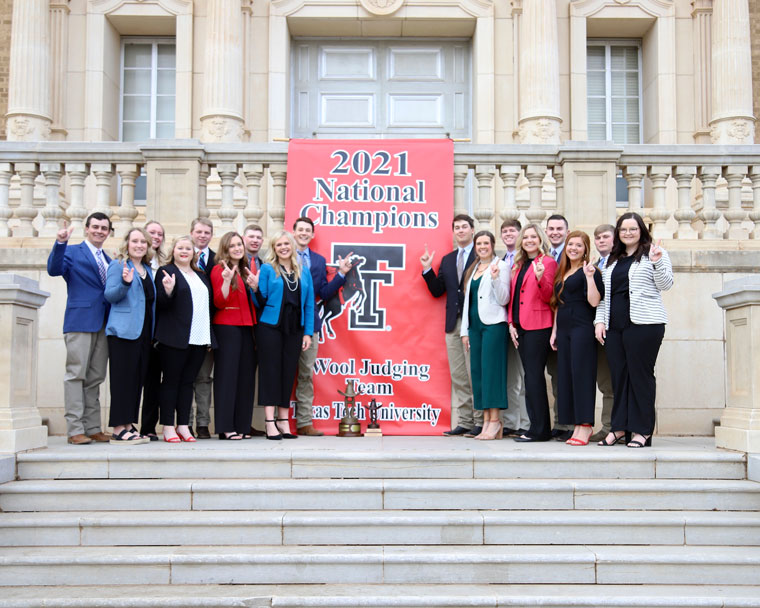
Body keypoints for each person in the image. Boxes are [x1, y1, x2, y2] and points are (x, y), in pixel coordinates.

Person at [595, 213, 673, 448]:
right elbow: (603, 296)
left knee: (640, 378)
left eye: (633, 229)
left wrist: (657, 262)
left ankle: (642, 431)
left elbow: (666, 284)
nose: (628, 233)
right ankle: (619, 428)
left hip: (645, 325)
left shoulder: (654, 254)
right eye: (623, 230)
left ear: (641, 230)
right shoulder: (612, 259)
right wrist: (599, 321)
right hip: (615, 327)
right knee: (619, 378)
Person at [47, 213, 113, 445]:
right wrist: (61, 242)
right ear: (86, 229)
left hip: (103, 323)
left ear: (108, 232)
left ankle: (93, 427)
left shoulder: (108, 258)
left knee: (95, 377)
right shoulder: (73, 252)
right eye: (95, 227)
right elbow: (54, 270)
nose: (99, 231)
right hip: (80, 321)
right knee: (76, 374)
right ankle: (75, 429)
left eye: (104, 228)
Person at [420, 214, 480, 437]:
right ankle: (465, 420)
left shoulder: (481, 252)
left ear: (472, 230)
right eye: (457, 227)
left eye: (465, 227)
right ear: (453, 232)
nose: (461, 231)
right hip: (453, 323)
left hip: (474, 321)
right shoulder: (447, 259)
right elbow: (438, 291)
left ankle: (480, 421)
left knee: (475, 372)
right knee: (459, 375)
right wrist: (427, 270)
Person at [292, 216, 352, 436]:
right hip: (284, 324)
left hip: (310, 323)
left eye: (308, 230)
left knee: (306, 372)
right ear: (293, 231)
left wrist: (341, 273)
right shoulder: (283, 255)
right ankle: (278, 422)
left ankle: (304, 422)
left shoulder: (318, 261)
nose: (304, 233)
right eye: (300, 230)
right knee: (283, 372)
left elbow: (325, 293)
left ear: (312, 235)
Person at [254, 231, 314, 440]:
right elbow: (260, 301)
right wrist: (254, 289)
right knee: (270, 373)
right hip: (270, 327)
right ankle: (270, 422)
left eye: (286, 244)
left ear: (292, 246)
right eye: (279, 245)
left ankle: (283, 420)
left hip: (294, 329)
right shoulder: (268, 269)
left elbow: (308, 304)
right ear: (274, 248)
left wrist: (307, 333)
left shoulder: (304, 272)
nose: (283, 247)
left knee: (288, 374)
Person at [155, 236, 215, 443]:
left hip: (199, 337)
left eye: (188, 248)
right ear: (173, 251)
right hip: (175, 337)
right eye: (180, 248)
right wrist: (168, 291)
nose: (184, 251)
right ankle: (168, 426)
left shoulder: (200, 275)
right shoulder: (166, 272)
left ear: (194, 252)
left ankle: (183, 425)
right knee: (171, 382)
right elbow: (160, 304)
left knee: (188, 382)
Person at [549, 231, 603, 446]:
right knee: (567, 378)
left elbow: (594, 301)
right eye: (570, 244)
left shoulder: (590, 271)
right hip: (563, 330)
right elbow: (557, 304)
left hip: (582, 328)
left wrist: (589, 278)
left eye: (578, 245)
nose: (573, 248)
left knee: (582, 376)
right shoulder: (563, 271)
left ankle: (585, 426)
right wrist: (554, 331)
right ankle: (574, 425)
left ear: (585, 249)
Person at [103, 227, 156, 445]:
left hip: (143, 333)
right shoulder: (118, 266)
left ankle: (129, 424)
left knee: (136, 380)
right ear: (127, 244)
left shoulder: (147, 269)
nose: (139, 245)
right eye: (135, 241)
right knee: (122, 380)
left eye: (143, 242)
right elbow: (109, 295)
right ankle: (118, 427)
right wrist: (125, 283)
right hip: (123, 332)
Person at [508, 223, 557, 442]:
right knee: (530, 378)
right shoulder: (518, 265)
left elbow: (550, 297)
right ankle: (537, 427)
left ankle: (540, 430)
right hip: (521, 327)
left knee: (534, 378)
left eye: (533, 237)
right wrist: (511, 322)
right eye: (525, 237)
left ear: (540, 240)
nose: (529, 240)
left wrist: (540, 277)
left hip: (539, 326)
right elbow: (513, 297)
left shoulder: (548, 262)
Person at [460, 231, 510, 440]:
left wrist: (497, 278)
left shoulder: (502, 266)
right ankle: (486, 421)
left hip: (493, 325)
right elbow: (468, 302)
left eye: (485, 243)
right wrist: (464, 331)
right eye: (478, 243)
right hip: (474, 327)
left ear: (492, 245)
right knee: (479, 374)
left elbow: (504, 298)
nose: (482, 247)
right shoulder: (473, 269)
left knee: (492, 373)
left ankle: (495, 421)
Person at [210, 232, 258, 440]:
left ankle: (242, 426)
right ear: (225, 249)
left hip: (248, 327)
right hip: (227, 327)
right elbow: (219, 301)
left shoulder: (247, 269)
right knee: (227, 378)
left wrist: (255, 288)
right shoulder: (219, 269)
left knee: (245, 379)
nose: (237, 248)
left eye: (240, 244)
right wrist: (226, 281)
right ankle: (225, 427)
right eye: (232, 246)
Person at [499, 219, 529, 437]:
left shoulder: (526, 261)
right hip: (505, 324)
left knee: (527, 377)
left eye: (513, 231)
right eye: (505, 231)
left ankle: (527, 423)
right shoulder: (499, 261)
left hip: (524, 324)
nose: (509, 234)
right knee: (510, 377)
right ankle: (511, 422)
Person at [545, 213, 572, 441]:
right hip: (546, 323)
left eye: (559, 229)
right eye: (551, 229)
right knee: (555, 376)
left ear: (567, 231)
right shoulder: (543, 257)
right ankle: (560, 423)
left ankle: (571, 424)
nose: (555, 232)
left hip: (569, 323)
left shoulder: (572, 253)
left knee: (569, 376)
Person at [140, 220, 166, 441]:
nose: (156, 237)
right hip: (141, 328)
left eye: (159, 234)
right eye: (152, 233)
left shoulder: (165, 263)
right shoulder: (137, 262)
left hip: (162, 330)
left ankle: (149, 426)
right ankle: (130, 423)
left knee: (156, 383)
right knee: (141, 379)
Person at [590, 224, 616, 444]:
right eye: (597, 238)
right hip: (599, 332)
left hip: (618, 329)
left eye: (605, 237)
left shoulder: (622, 262)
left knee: (618, 381)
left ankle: (618, 427)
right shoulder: (596, 265)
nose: (601, 241)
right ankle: (608, 427)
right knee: (606, 383)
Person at [190, 217, 216, 438]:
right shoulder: (181, 258)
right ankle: (185, 422)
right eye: (199, 232)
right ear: (192, 233)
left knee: (204, 378)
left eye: (206, 232)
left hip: (208, 330)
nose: (202, 235)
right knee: (185, 378)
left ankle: (203, 424)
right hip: (185, 329)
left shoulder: (218, 260)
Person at [242, 223, 266, 437]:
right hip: (238, 325)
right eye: (251, 236)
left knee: (251, 378)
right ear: (243, 238)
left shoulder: (265, 265)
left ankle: (246, 423)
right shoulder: (235, 263)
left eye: (259, 237)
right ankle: (237, 424)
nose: (255, 240)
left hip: (261, 326)